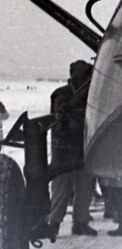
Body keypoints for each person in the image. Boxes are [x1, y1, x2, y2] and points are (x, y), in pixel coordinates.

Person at [44, 60, 97, 238]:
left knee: (85, 188)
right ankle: (53, 224)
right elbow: (61, 113)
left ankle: (80, 222)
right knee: (61, 190)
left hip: (82, 149)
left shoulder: (89, 95)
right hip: (64, 151)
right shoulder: (61, 94)